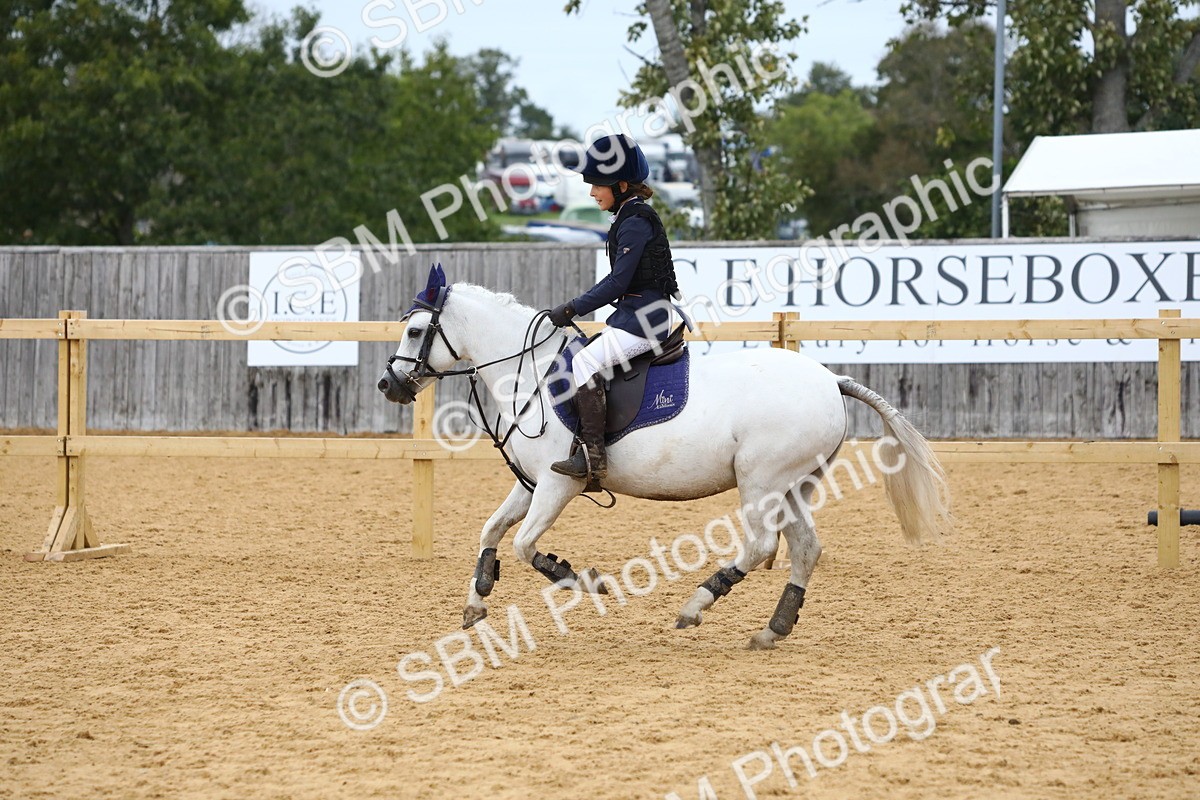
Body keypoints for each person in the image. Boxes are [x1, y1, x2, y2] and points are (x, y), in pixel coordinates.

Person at [547, 134, 680, 484]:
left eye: (597, 185)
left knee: (584, 362)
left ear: (621, 185)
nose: (592, 192)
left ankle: (593, 458)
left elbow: (618, 282)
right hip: (636, 316)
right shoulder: (628, 216)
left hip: (646, 321)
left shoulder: (635, 222)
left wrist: (572, 308)